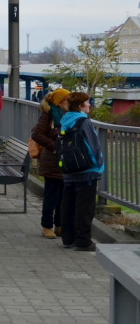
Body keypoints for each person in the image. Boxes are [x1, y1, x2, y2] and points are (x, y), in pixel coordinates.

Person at [59, 92, 104, 252]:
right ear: (80, 106)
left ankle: (68, 238)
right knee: (84, 207)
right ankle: (83, 241)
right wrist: (98, 165)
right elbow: (93, 145)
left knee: (68, 204)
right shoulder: (84, 122)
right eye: (87, 102)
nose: (89, 105)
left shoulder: (65, 120)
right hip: (86, 171)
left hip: (70, 169)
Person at [30, 88, 70, 239]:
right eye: (67, 100)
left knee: (63, 197)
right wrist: (54, 146)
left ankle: (59, 225)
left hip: (64, 163)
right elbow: (36, 134)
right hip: (51, 162)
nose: (69, 102)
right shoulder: (49, 116)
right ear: (59, 102)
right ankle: (46, 226)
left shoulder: (67, 115)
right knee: (51, 196)